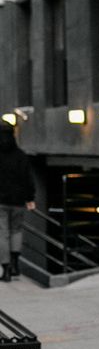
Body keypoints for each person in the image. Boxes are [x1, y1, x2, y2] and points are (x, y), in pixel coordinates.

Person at [0, 120, 35, 282]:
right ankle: (15, 265)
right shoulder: (20, 155)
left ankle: (5, 269)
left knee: (3, 234)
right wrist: (30, 198)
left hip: (1, 201)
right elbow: (28, 178)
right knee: (16, 231)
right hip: (18, 200)